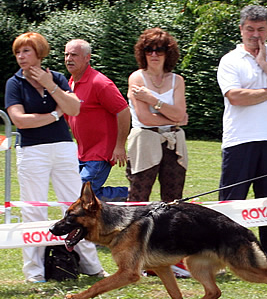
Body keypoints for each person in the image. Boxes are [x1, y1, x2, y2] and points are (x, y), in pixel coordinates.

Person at [4, 32, 107, 283]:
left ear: (39, 53)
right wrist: (54, 114)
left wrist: (51, 86)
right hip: (32, 152)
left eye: (26, 51)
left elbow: (74, 109)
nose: (21, 56)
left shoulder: (58, 78)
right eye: (18, 52)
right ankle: (34, 273)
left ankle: (93, 266)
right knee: (33, 210)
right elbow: (19, 121)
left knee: (77, 206)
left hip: (62, 148)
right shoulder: (14, 83)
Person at [216, 4, 267, 273]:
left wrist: (264, 63)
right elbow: (236, 97)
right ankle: (222, 252)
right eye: (250, 29)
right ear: (241, 29)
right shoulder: (230, 60)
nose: (255, 35)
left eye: (261, 30)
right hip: (239, 139)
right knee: (232, 200)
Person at [126, 28, 188, 202]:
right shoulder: (137, 78)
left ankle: (170, 230)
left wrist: (152, 99)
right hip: (145, 140)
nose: (154, 54)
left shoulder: (177, 80)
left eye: (159, 50)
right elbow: (144, 118)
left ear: (167, 53)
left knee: (174, 198)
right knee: (139, 195)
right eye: (149, 50)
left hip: (173, 143)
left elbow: (180, 113)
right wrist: (174, 118)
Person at [64, 39, 130, 201]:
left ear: (88, 58)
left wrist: (120, 146)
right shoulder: (71, 82)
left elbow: (123, 111)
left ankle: (130, 195)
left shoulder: (100, 83)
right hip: (80, 153)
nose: (68, 59)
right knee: (78, 193)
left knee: (82, 194)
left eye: (74, 55)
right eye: (66, 54)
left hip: (100, 153)